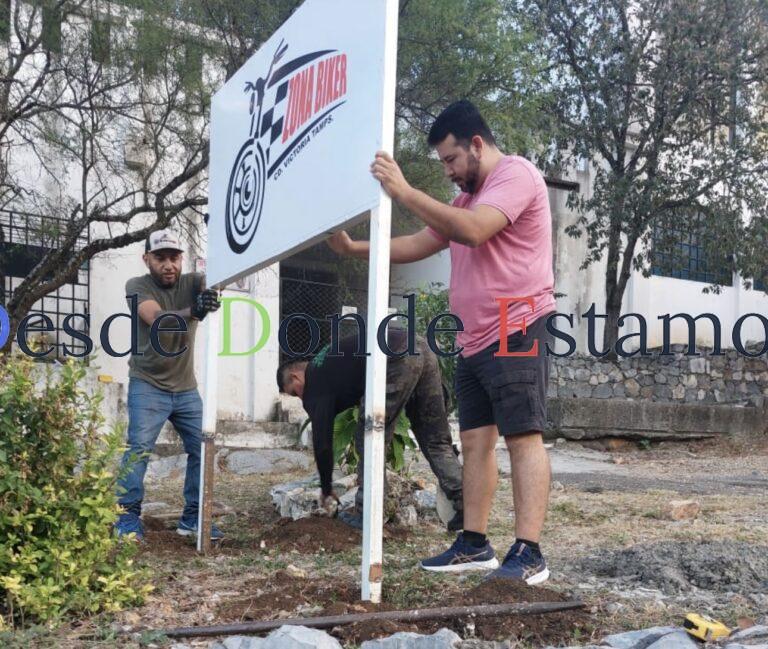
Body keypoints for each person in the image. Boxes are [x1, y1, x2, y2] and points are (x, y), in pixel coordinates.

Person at [327, 100, 556, 583]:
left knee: (521, 437)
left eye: (451, 160)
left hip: (516, 325)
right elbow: (419, 242)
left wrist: (405, 190)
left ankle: (530, 552)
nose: (449, 171)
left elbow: (474, 234)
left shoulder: (516, 176)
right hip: (475, 338)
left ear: (476, 145)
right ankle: (474, 543)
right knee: (474, 442)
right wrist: (354, 249)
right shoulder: (464, 201)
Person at [277, 330, 464, 532]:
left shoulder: (314, 378)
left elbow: (322, 443)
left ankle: (367, 513)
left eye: (295, 392)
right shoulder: (327, 364)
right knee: (435, 439)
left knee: (369, 437)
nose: (301, 399)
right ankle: (465, 504)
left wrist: (326, 489)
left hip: (394, 356)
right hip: (421, 348)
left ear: (295, 376)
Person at [114, 229, 222, 542]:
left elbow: (214, 280)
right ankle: (126, 519)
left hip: (186, 387)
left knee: (204, 447)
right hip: (147, 384)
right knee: (138, 451)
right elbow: (158, 318)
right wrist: (195, 309)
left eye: (174, 257)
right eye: (160, 258)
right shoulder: (136, 286)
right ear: (146, 258)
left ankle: (193, 518)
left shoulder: (191, 282)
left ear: (181, 259)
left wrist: (212, 286)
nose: (168, 265)